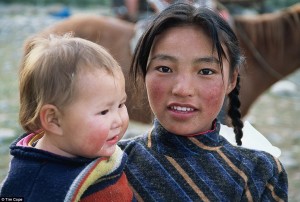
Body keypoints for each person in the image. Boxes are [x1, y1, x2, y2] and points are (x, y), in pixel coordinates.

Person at [119, 2, 288, 201]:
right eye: (164, 68)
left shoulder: (260, 173)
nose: (182, 89)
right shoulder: (113, 165)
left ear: (232, 80)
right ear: (144, 72)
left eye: (206, 71)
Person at [0, 34, 135, 201]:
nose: (119, 120)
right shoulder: (38, 187)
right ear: (54, 120)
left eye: (121, 105)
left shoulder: (88, 147)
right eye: (104, 112)